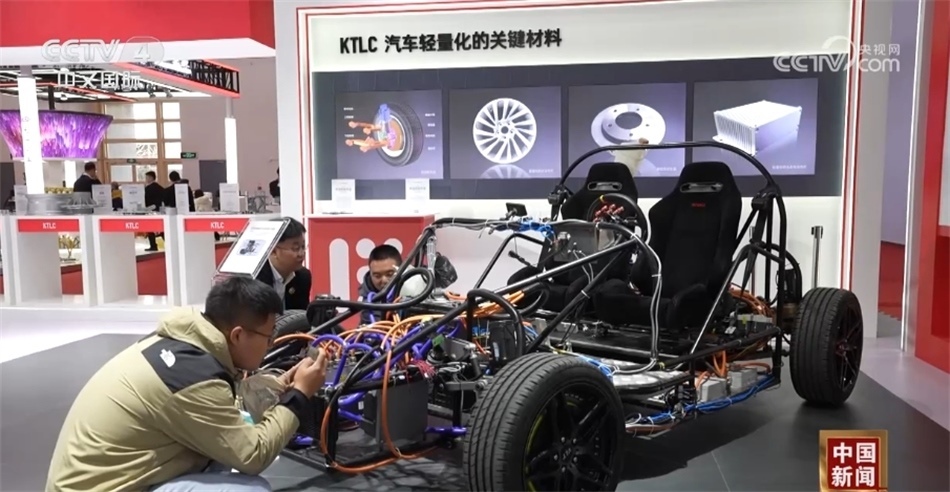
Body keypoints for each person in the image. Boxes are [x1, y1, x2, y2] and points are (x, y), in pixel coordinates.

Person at [46, 276, 329, 492]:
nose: (270, 345)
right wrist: (300, 394)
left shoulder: (180, 344)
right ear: (237, 335)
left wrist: (281, 386)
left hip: (103, 480)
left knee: (222, 453)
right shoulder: (192, 378)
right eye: (268, 337)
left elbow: (225, 414)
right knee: (251, 489)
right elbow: (253, 455)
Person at [255, 218, 311, 311]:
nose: (301, 254)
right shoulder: (255, 280)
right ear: (273, 251)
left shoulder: (303, 277)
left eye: (303, 247)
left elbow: (301, 315)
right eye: (295, 248)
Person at [357, 244, 403, 325]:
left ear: (402, 270)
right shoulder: (367, 307)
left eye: (389, 274)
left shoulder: (417, 287)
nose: (384, 280)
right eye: (377, 276)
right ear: (370, 275)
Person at [144, 171, 165, 251]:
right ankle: (167, 242)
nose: (146, 179)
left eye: (147, 177)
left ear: (151, 178)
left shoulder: (148, 188)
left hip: (150, 210)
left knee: (150, 228)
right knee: (160, 228)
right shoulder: (159, 187)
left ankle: (153, 245)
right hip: (158, 210)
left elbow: (146, 200)